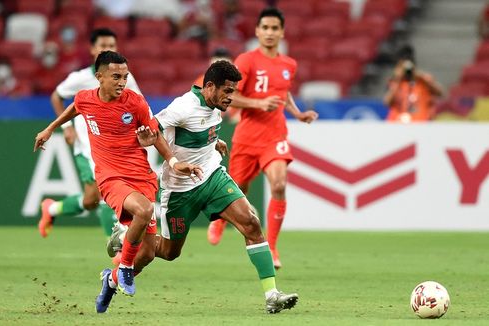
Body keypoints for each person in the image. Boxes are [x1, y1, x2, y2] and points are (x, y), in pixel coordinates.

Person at [107, 60, 299, 314]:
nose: (232, 97)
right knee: (168, 251)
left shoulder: (215, 104)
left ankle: (272, 295)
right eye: (228, 91)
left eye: (234, 91)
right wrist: (162, 152)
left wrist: (215, 140)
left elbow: (201, 129)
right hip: (179, 190)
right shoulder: (184, 106)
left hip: (212, 176)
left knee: (251, 222)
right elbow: (154, 127)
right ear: (210, 86)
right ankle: (125, 236)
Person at [34, 51, 202, 312]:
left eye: (125, 76)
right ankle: (123, 268)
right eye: (116, 76)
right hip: (110, 176)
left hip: (141, 177)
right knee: (144, 210)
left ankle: (110, 281)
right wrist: (51, 128)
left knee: (147, 254)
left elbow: (154, 134)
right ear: (99, 77)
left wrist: (171, 161)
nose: (122, 81)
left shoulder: (134, 103)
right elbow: (74, 109)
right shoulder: (86, 98)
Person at [206, 7, 318, 269]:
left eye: (274, 28)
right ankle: (221, 219)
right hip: (247, 136)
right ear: (257, 31)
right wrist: (259, 104)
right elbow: (230, 97)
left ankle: (274, 248)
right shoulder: (246, 61)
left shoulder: (289, 64)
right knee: (238, 189)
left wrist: (297, 113)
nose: (269, 33)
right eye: (264, 28)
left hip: (275, 134)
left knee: (278, 184)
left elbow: (284, 92)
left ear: (281, 32)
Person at [39, 28, 142, 241]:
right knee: (104, 195)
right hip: (87, 145)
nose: (107, 49)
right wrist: (66, 128)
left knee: (90, 200)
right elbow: (57, 97)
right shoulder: (79, 79)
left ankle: (51, 209)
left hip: (113, 146)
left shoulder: (125, 79)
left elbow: (138, 105)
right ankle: (115, 248)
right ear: (93, 49)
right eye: (103, 45)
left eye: (112, 45)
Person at [383, 45, 444, 123]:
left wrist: (420, 76)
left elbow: (440, 93)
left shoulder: (423, 81)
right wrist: (398, 80)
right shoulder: (393, 82)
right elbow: (386, 102)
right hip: (397, 123)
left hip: (420, 123)